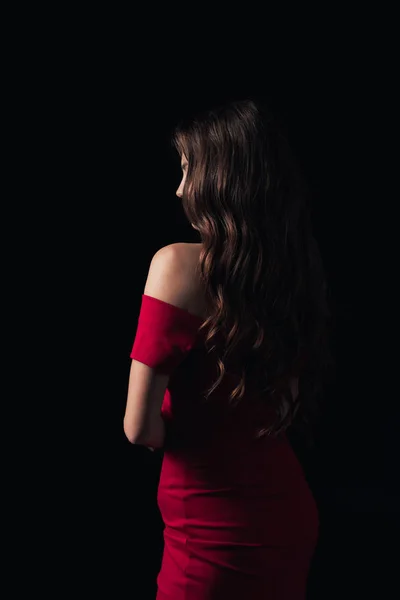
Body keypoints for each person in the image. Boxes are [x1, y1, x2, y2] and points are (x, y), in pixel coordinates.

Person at [125, 98, 332, 599]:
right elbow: (282, 406)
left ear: (223, 179)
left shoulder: (175, 265)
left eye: (188, 171)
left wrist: (188, 428)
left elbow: (138, 427)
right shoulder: (294, 276)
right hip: (285, 517)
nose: (178, 189)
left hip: (210, 528)